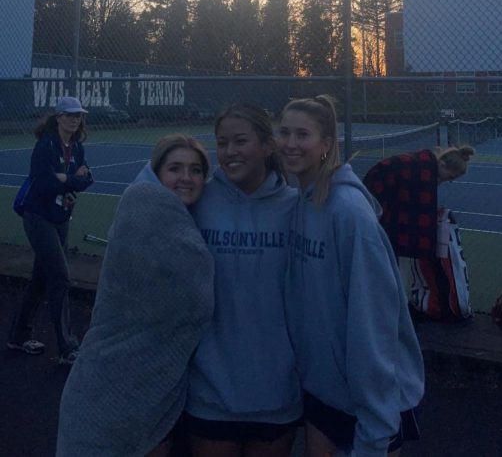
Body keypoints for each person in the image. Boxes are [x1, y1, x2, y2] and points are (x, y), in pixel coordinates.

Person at [278, 95, 424, 457]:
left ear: (325, 145)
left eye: (302, 135)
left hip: (368, 404)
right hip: (324, 391)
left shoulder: (350, 214)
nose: (290, 144)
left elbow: (373, 324)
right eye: (284, 133)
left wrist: (376, 427)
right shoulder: (302, 202)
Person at [56, 133, 214, 457]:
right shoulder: (141, 204)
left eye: (196, 170)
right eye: (175, 168)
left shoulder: (189, 222)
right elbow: (194, 292)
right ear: (157, 174)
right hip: (107, 387)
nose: (186, 177)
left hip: (162, 395)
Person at [184, 103, 302, 457]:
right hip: (209, 392)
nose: (230, 152)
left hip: (277, 392)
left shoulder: (297, 207)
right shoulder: (196, 201)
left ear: (268, 146)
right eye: (222, 144)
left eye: (240, 141)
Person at [8, 96, 93, 365]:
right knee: (60, 277)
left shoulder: (77, 147)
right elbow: (43, 184)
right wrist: (72, 180)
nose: (74, 119)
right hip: (38, 217)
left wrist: (65, 179)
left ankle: (18, 337)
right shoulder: (44, 147)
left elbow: (87, 179)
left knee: (41, 279)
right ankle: (68, 348)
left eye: (78, 115)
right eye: (69, 115)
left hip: (60, 217)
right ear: (58, 117)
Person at [363, 145, 474, 260]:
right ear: (442, 165)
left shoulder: (426, 168)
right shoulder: (422, 172)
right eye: (450, 176)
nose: (449, 180)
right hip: (377, 190)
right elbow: (418, 207)